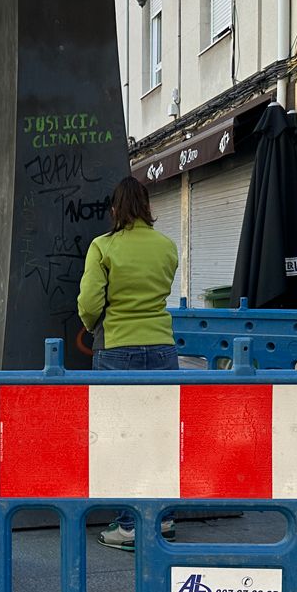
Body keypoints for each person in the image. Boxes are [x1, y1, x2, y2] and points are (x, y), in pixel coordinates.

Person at [77, 176, 180, 551]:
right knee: (159, 435)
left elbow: (89, 302)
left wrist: (92, 326)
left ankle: (128, 525)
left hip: (118, 347)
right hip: (163, 348)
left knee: (122, 437)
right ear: (148, 208)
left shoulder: (103, 247)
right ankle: (164, 518)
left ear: (116, 209)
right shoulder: (167, 246)